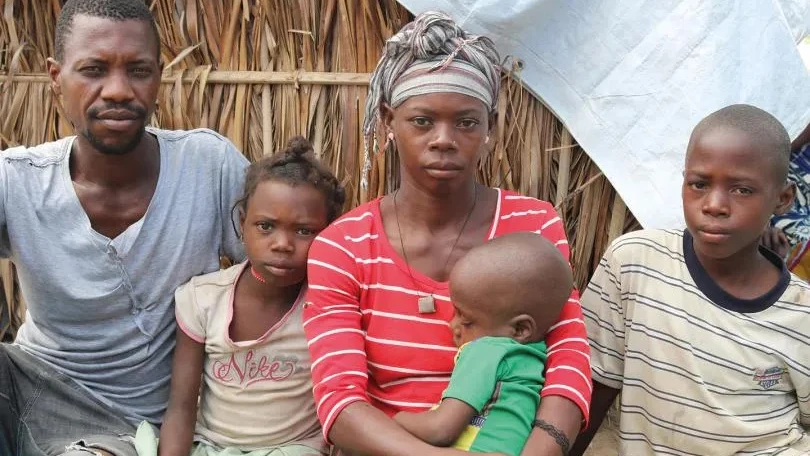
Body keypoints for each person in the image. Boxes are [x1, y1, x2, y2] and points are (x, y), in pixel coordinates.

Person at [303, 11, 592, 456]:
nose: (443, 139)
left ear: (490, 128)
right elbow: (340, 401)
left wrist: (541, 451)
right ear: (388, 120)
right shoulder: (343, 247)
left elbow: (567, 357)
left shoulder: (532, 225)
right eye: (422, 121)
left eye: (466, 122)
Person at [0, 1, 249, 455]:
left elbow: (295, 270)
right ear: (56, 78)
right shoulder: (17, 180)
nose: (117, 90)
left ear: (159, 77)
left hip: (145, 420)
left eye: (138, 70)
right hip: (29, 387)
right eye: (93, 69)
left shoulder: (207, 167)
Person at [573, 104, 810, 456]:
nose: (714, 204)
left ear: (782, 199)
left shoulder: (801, 313)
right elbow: (593, 386)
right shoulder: (635, 262)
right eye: (699, 184)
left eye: (742, 190)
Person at [147, 138, 345, 456]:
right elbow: (182, 408)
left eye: (304, 231)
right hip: (211, 446)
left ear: (330, 232)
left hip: (293, 449)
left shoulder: (328, 306)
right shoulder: (203, 299)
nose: (282, 244)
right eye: (265, 226)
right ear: (243, 226)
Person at [393, 233, 574, 456]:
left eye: (466, 320)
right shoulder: (533, 359)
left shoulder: (487, 350)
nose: (452, 325)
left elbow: (441, 430)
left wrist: (396, 420)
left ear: (520, 329)